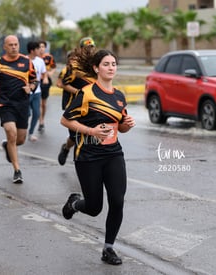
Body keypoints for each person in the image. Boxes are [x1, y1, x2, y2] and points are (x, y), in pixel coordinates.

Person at [60, 49, 136, 265]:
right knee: (94, 208)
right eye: (106, 64)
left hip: (113, 154)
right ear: (96, 68)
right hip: (88, 155)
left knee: (117, 201)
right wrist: (91, 131)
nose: (111, 67)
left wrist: (126, 125)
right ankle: (74, 203)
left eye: (114, 64)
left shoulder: (119, 96)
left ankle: (108, 248)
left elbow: (120, 128)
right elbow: (66, 120)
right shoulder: (86, 93)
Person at [0, 35, 37, 184]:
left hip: (22, 103)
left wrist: (31, 87)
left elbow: (34, 80)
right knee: (11, 132)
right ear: (5, 47)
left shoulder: (27, 61)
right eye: (11, 45)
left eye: (16, 44)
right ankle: (17, 170)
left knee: (19, 139)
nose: (14, 47)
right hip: (5, 103)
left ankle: (7, 146)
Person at [57, 37, 97, 165]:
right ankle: (67, 148)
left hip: (90, 106)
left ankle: (87, 161)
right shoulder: (73, 67)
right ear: (81, 49)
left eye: (92, 47)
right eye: (87, 48)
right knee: (75, 136)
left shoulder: (96, 65)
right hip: (73, 105)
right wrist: (79, 93)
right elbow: (62, 84)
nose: (90, 50)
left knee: (88, 134)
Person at [27, 41, 47, 142]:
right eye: (38, 49)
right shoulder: (24, 61)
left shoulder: (40, 61)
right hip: (26, 92)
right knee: (27, 114)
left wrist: (45, 78)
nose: (40, 50)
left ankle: (30, 133)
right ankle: (19, 131)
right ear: (32, 51)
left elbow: (44, 73)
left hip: (37, 92)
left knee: (36, 113)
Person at [38, 40, 56, 133]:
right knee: (39, 103)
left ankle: (42, 120)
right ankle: (40, 122)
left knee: (44, 104)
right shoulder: (34, 57)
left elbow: (54, 67)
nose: (41, 49)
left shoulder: (49, 57)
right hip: (36, 81)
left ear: (45, 48)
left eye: (43, 47)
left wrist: (50, 73)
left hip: (46, 82)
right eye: (39, 47)